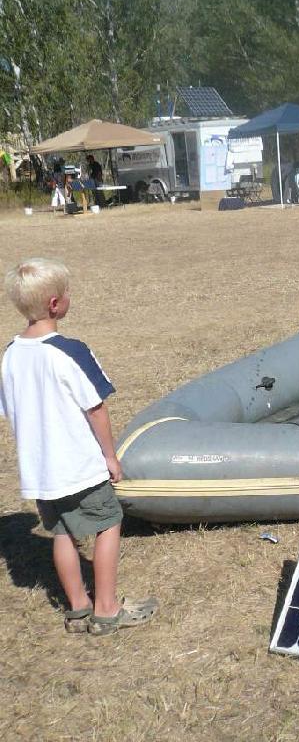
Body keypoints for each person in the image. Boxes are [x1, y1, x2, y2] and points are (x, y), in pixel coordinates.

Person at [0, 258, 157, 635]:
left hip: (41, 472)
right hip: (79, 467)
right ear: (55, 304)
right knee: (108, 523)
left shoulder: (10, 354)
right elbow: (96, 409)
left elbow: (11, 409)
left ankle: (77, 608)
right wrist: (110, 456)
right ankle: (106, 610)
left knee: (62, 533)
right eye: (67, 292)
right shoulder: (71, 351)